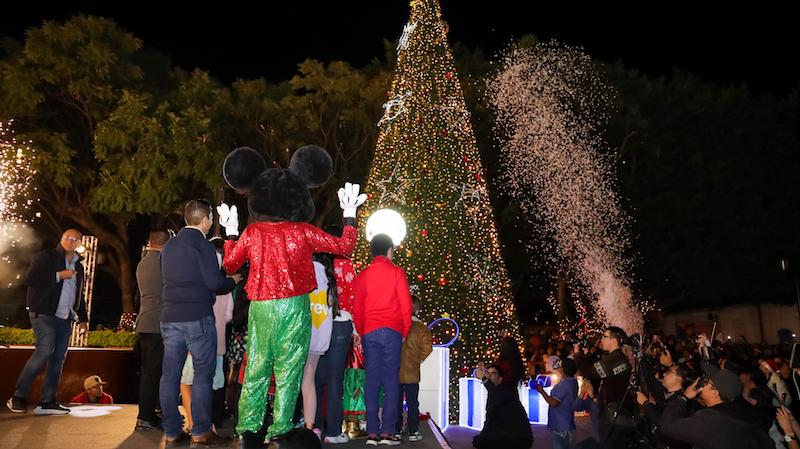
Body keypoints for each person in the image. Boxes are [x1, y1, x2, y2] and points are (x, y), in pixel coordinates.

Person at [159, 200, 239, 447]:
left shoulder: (169, 246)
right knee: (204, 375)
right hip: (197, 317)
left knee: (170, 376)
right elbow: (214, 283)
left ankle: (172, 430)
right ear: (205, 219)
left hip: (170, 317)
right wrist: (232, 281)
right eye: (211, 218)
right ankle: (201, 430)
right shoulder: (203, 246)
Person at [6, 229, 89, 415]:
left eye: (75, 239)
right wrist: (59, 276)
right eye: (67, 237)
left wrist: (83, 319)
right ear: (61, 239)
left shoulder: (80, 267)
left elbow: (79, 295)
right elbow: (31, 279)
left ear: (79, 243)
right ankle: (18, 396)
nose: (71, 241)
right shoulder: (47, 256)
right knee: (45, 350)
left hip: (65, 317)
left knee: (58, 358)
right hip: (44, 314)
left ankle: (48, 400)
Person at [353, 234, 413, 446]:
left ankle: (371, 432)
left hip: (370, 330)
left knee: (372, 381)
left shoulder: (363, 276)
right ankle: (387, 432)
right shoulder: (397, 272)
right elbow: (406, 305)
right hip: (392, 330)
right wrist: (405, 330)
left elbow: (357, 308)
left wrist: (361, 329)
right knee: (390, 381)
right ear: (389, 250)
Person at [658, 366, 774, 449]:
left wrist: (684, 397)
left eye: (707, 382)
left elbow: (668, 426)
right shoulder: (740, 412)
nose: (702, 385)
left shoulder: (711, 419)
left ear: (715, 393)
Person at [314, 231, 360, 444]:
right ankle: (333, 431)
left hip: (317, 323)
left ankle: (313, 426)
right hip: (341, 324)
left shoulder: (315, 263)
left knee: (314, 378)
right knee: (335, 380)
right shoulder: (346, 264)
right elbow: (353, 297)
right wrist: (356, 328)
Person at [574, 326, 637, 448]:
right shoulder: (615, 358)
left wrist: (577, 352)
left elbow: (588, 371)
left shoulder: (616, 359)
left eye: (604, 336)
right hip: (614, 415)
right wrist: (587, 352)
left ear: (614, 340)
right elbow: (595, 366)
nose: (601, 339)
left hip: (616, 418)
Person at [134, 228, 171, 431]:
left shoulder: (143, 262)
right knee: (152, 371)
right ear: (167, 242)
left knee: (149, 370)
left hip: (145, 322)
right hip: (158, 323)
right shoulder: (162, 263)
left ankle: (149, 412)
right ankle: (146, 415)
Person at [299, 254, 335, 437]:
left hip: (300, 337)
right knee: (308, 380)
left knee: (291, 381)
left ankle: (287, 423)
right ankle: (309, 426)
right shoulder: (328, 282)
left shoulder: (304, 276)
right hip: (319, 340)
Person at [472, 363, 533, 449]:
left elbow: (498, 398)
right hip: (507, 434)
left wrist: (484, 378)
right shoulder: (493, 393)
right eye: (487, 373)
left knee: (481, 441)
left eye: (493, 373)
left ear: (500, 379)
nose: (489, 376)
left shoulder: (504, 392)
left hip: (519, 437)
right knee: (479, 440)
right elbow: (490, 420)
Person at [396, 296, 433, 442]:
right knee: (412, 402)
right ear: (417, 309)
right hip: (412, 371)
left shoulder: (396, 324)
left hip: (396, 370)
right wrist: (419, 359)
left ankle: (396, 430)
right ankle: (413, 431)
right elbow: (427, 347)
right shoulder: (421, 327)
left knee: (395, 402)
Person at [535, 357, 578, 449]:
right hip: (568, 424)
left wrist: (542, 391)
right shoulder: (573, 382)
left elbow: (554, 402)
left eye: (559, 365)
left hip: (560, 426)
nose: (556, 366)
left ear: (563, 368)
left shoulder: (564, 384)